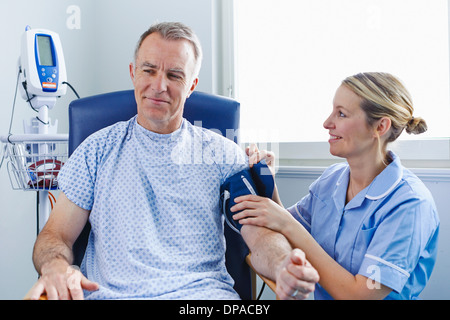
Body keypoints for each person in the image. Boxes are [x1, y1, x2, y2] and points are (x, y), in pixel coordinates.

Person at [27, 22, 319, 300]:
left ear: (192, 84)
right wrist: (55, 267)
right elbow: (55, 235)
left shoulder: (223, 154)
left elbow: (260, 236)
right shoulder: (95, 150)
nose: (158, 86)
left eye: (174, 75)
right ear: (133, 73)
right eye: (149, 70)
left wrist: (283, 265)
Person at [232, 72, 440, 300]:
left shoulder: (410, 204)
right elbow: (285, 228)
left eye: (341, 114)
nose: (327, 123)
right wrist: (268, 183)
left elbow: (359, 296)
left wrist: (289, 225)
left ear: (380, 127)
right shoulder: (332, 180)